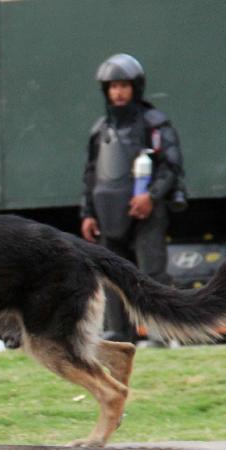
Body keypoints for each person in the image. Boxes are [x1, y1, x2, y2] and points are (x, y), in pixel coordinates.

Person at [80, 53, 185, 343]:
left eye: (124, 85)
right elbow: (90, 173)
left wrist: (151, 197)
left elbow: (171, 166)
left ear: (135, 87)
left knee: (151, 275)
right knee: (112, 277)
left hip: (146, 212)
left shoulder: (155, 124)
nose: (119, 92)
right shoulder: (100, 130)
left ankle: (161, 332)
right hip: (108, 213)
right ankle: (118, 331)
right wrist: (87, 213)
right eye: (113, 86)